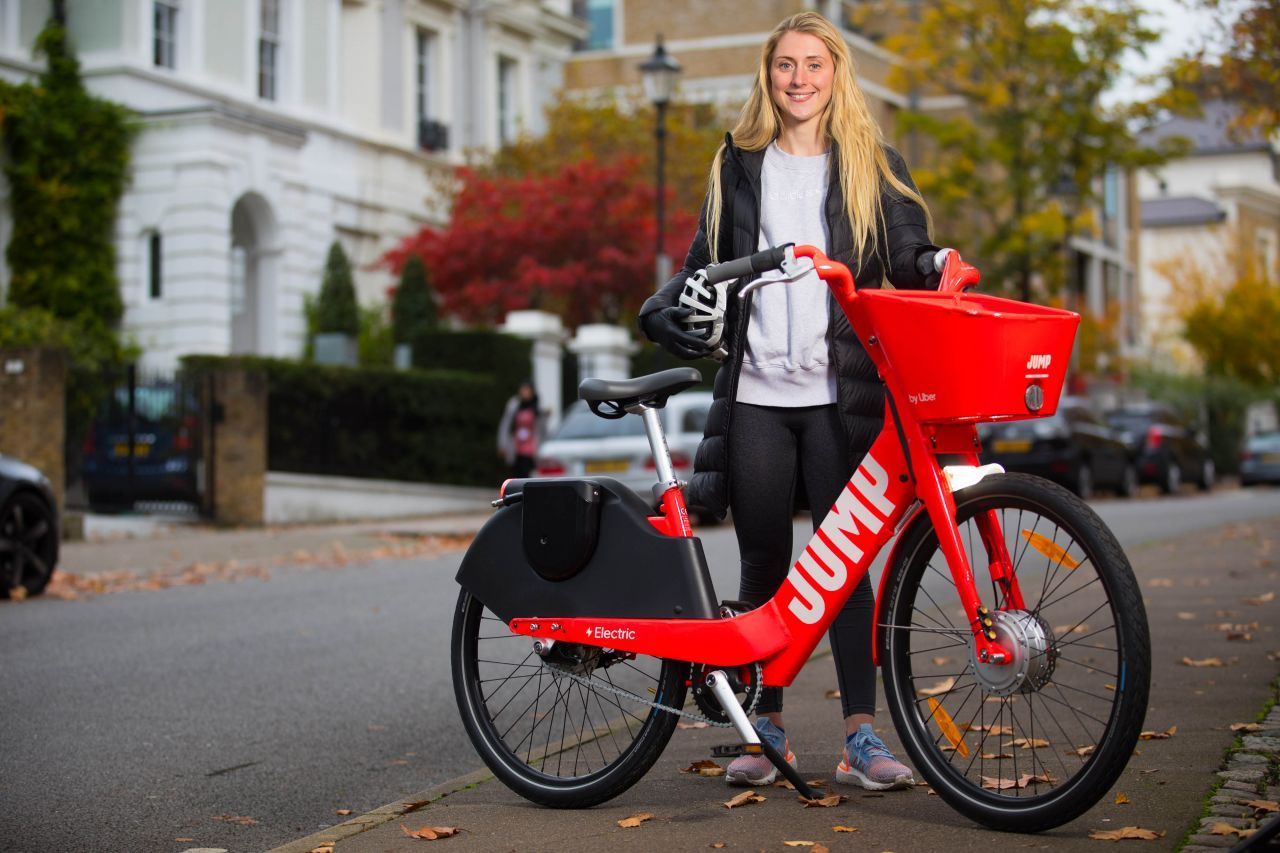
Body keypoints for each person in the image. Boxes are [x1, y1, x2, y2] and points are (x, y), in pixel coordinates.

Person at [638, 11, 945, 791]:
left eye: (813, 64)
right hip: (758, 396)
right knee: (766, 561)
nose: (798, 78)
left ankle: (861, 736)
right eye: (785, 65)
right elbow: (703, 265)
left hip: (841, 394)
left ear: (835, 75)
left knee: (844, 567)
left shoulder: (873, 163)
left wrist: (937, 259)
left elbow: (906, 255)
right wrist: (662, 306)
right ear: (768, 75)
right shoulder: (738, 167)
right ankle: (764, 728)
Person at [497, 381, 545, 479]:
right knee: (515, 473)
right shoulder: (514, 406)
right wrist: (502, 444)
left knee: (527, 473)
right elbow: (505, 425)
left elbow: (542, 430)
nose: (524, 392)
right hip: (516, 446)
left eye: (527, 390)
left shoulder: (537, 408)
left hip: (531, 448)